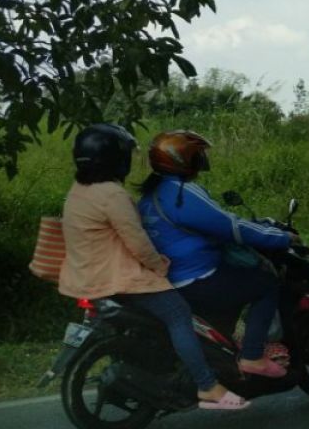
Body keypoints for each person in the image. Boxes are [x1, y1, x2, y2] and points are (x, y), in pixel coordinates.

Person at [58, 123, 249, 411]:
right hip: (120, 279)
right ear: (114, 158)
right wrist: (159, 265)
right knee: (178, 313)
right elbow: (137, 241)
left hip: (87, 277)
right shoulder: (112, 195)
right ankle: (207, 385)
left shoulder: (78, 191)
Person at [137, 130, 293, 379]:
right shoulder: (182, 193)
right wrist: (281, 237)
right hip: (197, 277)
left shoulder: (149, 195)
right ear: (183, 159)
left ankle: (225, 351)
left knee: (233, 281)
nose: (202, 160)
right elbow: (232, 226)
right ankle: (253, 355)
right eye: (197, 155)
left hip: (171, 280)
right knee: (266, 284)